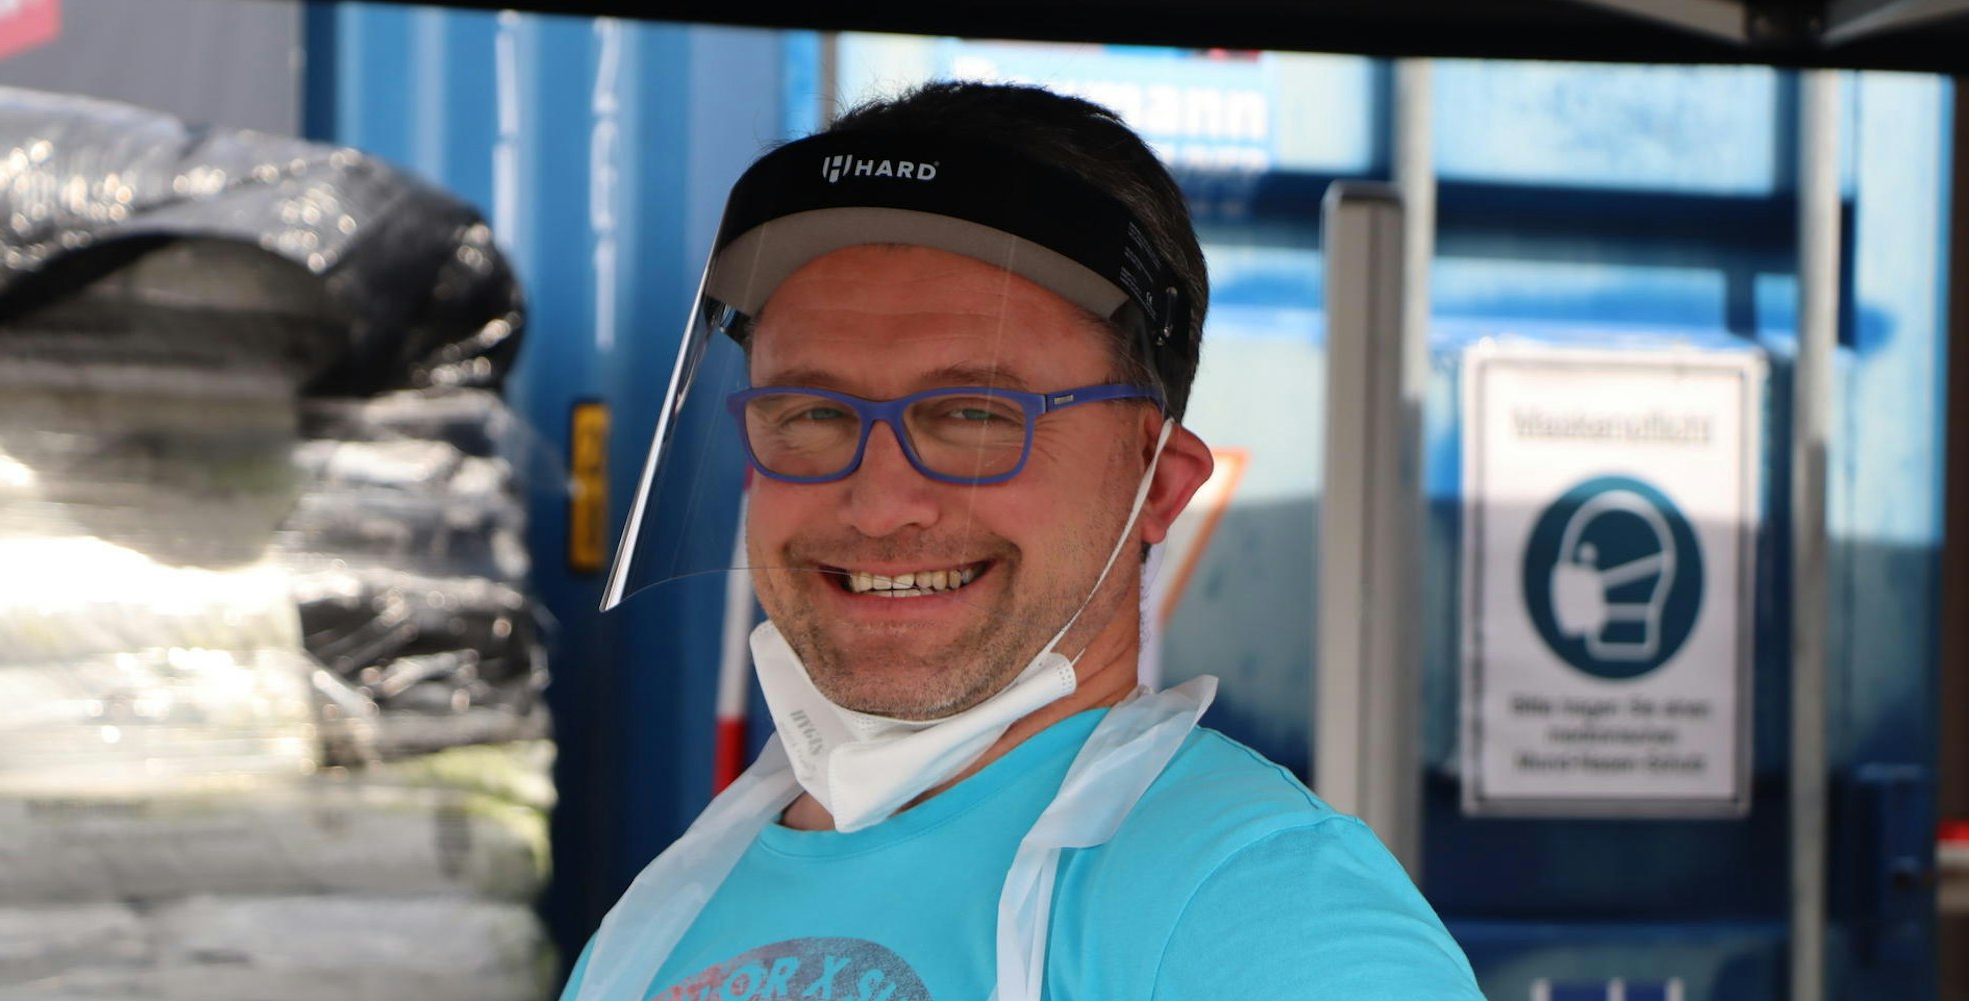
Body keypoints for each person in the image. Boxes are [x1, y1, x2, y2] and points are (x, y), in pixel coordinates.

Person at [568, 80, 1485, 1001]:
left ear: (1157, 482)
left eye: (975, 414)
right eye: (811, 412)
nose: (879, 506)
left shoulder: (1263, 910)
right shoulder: (667, 907)